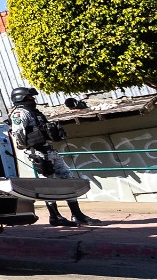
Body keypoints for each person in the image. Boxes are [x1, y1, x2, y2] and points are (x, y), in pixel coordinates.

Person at [9, 87, 100, 226]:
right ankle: (55, 216)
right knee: (48, 185)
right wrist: (28, 148)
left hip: (50, 150)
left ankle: (77, 214)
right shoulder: (19, 113)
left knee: (69, 180)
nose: (33, 100)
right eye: (29, 98)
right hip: (38, 152)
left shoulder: (34, 112)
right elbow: (18, 133)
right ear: (20, 98)